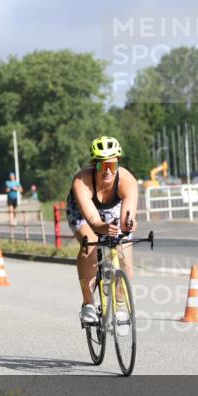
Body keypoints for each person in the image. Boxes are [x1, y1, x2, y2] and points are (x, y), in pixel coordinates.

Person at [66, 136, 138, 329]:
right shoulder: (82, 181)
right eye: (101, 166)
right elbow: (93, 221)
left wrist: (128, 224)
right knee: (90, 243)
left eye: (112, 166)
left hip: (113, 209)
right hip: (84, 210)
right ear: (93, 165)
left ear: (118, 164)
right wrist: (102, 228)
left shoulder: (127, 181)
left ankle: (121, 309)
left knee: (125, 262)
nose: (107, 171)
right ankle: (88, 304)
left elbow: (126, 217)